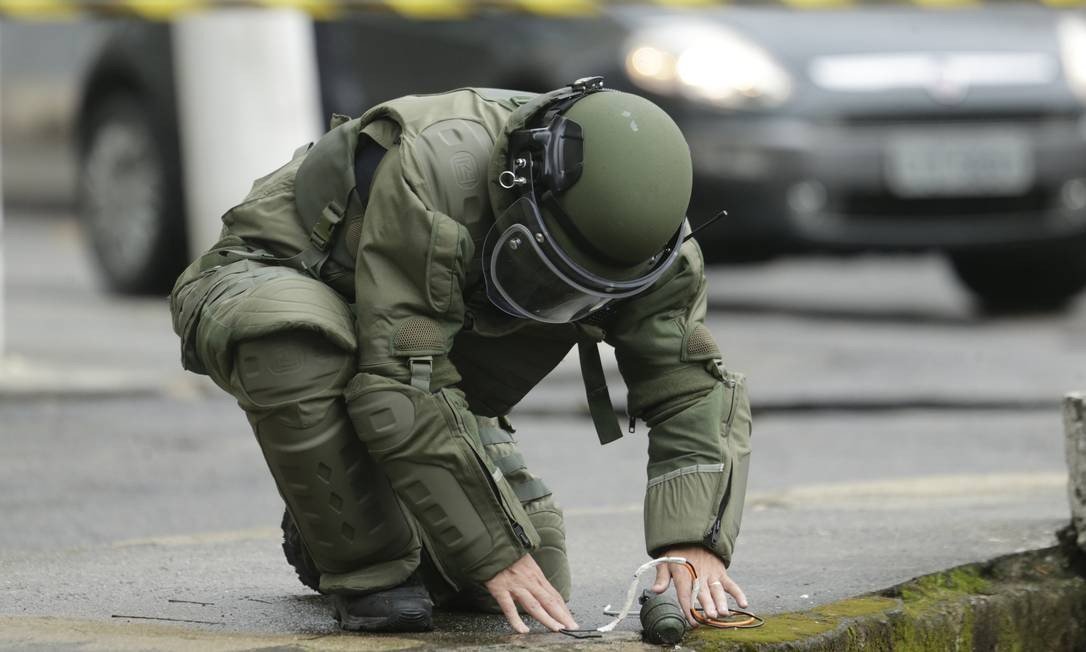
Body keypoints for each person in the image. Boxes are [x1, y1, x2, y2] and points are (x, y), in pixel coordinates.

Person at [169, 76, 752, 634]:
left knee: (534, 573)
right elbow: (405, 381)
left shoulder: (652, 249)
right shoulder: (438, 174)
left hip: (428, 321)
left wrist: (693, 542)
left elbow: (691, 389)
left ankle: (349, 499)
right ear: (526, 192)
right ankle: (365, 567)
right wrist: (493, 549)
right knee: (292, 342)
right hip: (284, 270)